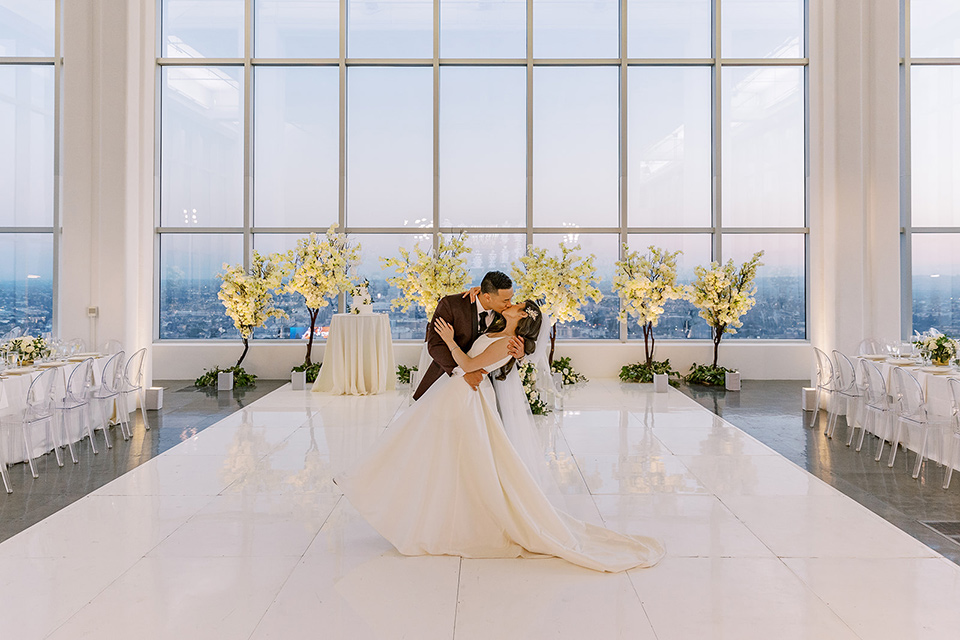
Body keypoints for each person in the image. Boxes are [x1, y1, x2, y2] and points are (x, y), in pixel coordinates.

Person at [336, 299, 665, 573]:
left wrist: (451, 340)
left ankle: (403, 505)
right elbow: (481, 315)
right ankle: (387, 496)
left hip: (460, 397)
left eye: (518, 305)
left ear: (523, 318)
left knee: (425, 450)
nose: (512, 303)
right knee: (421, 448)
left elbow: (467, 365)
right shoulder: (500, 332)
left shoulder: (508, 344)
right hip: (455, 395)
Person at [412, 270, 524, 400]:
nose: (510, 304)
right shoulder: (451, 305)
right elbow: (435, 345)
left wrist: (520, 355)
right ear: (487, 297)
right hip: (445, 379)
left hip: (485, 387)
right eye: (506, 300)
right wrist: (463, 372)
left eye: (511, 298)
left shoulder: (505, 314)